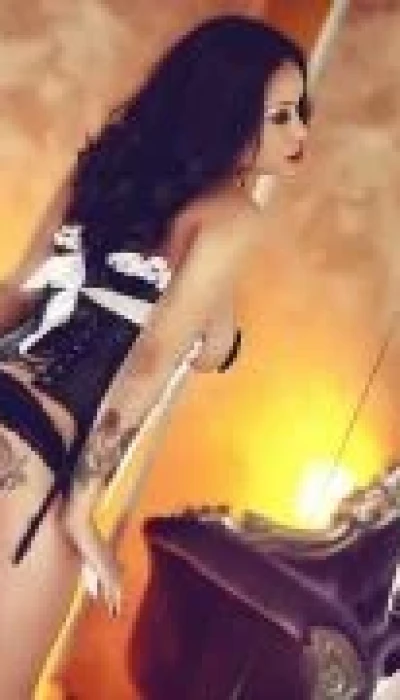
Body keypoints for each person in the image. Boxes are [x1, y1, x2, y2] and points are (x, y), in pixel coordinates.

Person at [0, 14, 309, 697]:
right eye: (281, 116)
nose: (301, 135)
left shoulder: (106, 168)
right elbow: (152, 359)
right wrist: (81, 512)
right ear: (228, 117)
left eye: (302, 111)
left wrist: (217, 331)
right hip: (36, 467)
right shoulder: (232, 218)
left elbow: (18, 292)